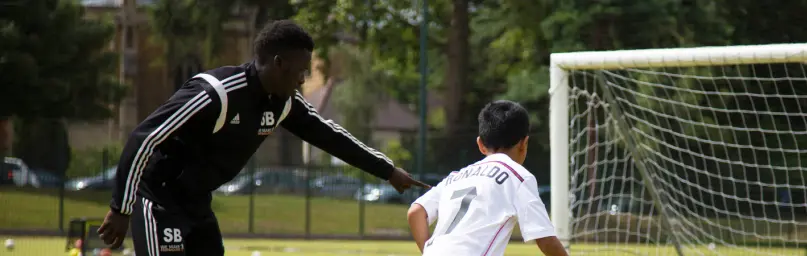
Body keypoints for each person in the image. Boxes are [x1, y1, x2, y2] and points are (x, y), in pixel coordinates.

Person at [97, 20, 430, 256]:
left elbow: (331, 137)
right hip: (159, 202)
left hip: (198, 206)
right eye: (301, 71)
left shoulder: (284, 103)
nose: (303, 80)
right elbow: (145, 137)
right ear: (278, 63)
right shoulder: (217, 93)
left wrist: (388, 171)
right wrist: (120, 208)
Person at [406, 100, 567, 256]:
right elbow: (545, 240)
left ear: (480, 144)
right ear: (524, 143)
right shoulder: (518, 176)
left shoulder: (455, 177)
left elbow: (416, 212)